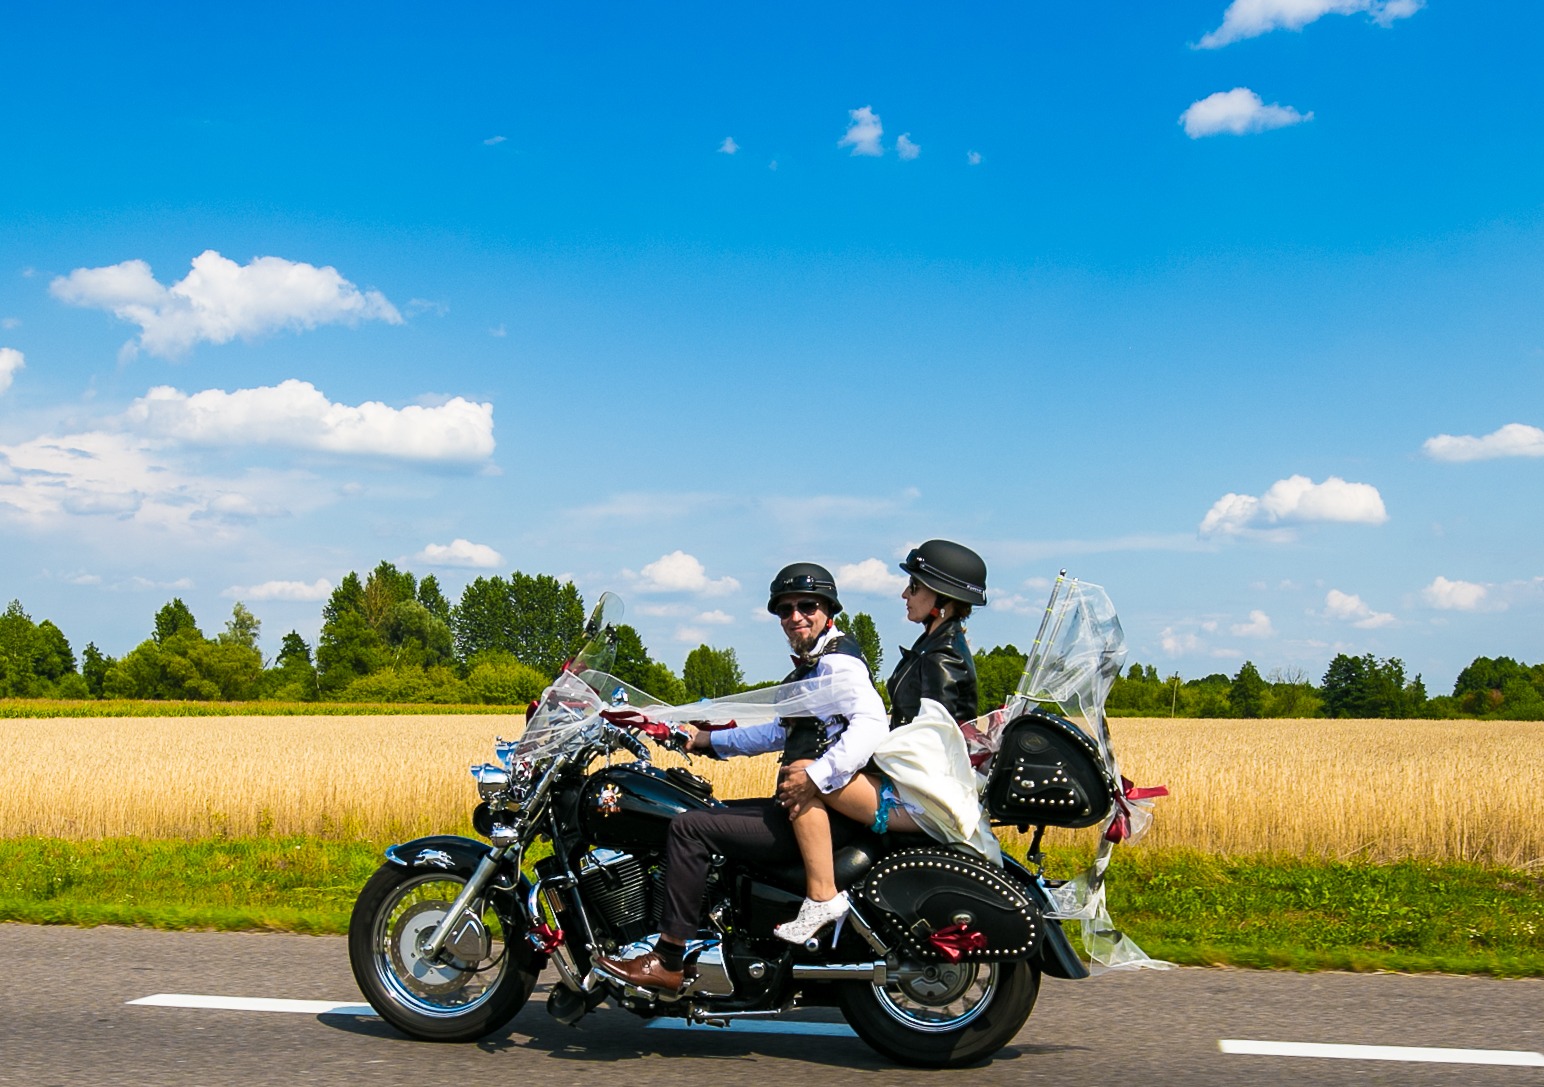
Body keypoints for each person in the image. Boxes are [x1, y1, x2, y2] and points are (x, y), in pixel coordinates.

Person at [593, 562, 887, 993]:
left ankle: (669, 958)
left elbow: (871, 723)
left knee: (689, 828)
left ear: (828, 610)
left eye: (807, 606)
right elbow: (776, 731)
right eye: (784, 610)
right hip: (802, 808)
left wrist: (817, 778)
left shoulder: (838, 664)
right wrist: (705, 740)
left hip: (820, 817)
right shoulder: (814, 663)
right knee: (707, 813)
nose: (795, 617)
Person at [770, 539, 992, 943]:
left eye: (914, 587)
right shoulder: (935, 646)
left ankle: (821, 897)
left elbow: (938, 739)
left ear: (940, 598)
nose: (905, 594)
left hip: (923, 796)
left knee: (805, 773)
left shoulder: (943, 658)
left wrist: (862, 758)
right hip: (915, 785)